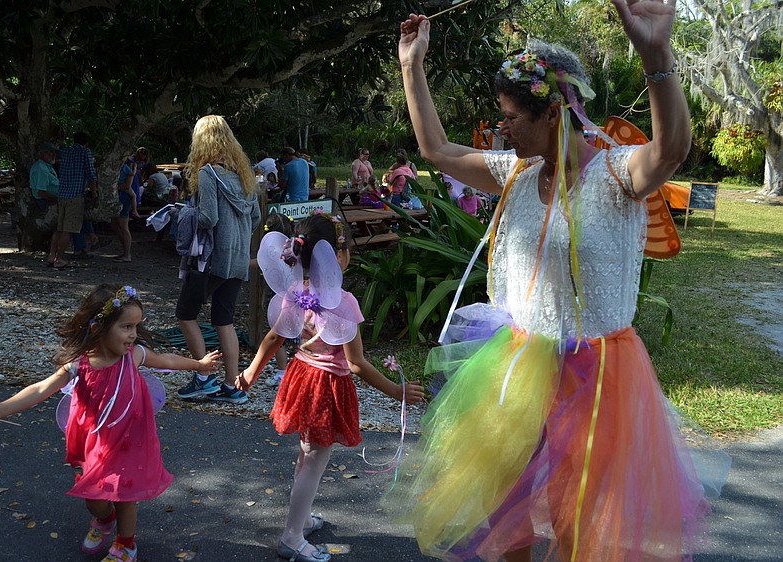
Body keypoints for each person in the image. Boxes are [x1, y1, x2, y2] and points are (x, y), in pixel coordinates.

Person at [392, 6, 728, 562]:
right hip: (517, 365)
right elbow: (438, 150)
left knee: (576, 518)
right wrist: (412, 66)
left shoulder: (617, 176)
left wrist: (655, 55)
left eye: (510, 116)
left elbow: (670, 151)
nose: (501, 128)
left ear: (553, 113)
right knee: (506, 509)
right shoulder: (517, 172)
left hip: (595, 376)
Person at [0, 284, 222, 562]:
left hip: (130, 440)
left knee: (127, 495)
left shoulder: (134, 355)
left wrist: (198, 365)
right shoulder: (79, 365)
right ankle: (104, 520)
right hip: (96, 443)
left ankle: (126, 546)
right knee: (96, 499)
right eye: (126, 327)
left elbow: (166, 359)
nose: (133, 334)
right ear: (99, 327)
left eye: (136, 327)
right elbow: (41, 389)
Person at [237, 212, 424, 562]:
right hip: (325, 388)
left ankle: (302, 519)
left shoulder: (295, 292)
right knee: (314, 461)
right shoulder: (345, 302)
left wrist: (250, 372)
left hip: (300, 378)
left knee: (306, 454)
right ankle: (292, 536)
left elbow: (275, 337)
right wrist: (395, 392)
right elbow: (356, 363)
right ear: (337, 256)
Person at [175, 115, 261, 405]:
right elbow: (257, 218)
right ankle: (230, 385)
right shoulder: (243, 176)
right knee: (224, 320)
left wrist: (183, 214)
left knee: (185, 314)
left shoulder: (209, 174)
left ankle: (203, 376)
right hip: (237, 261)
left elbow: (208, 217)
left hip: (211, 260)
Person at [248, 212, 295, 388]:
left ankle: (282, 371)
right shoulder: (293, 247)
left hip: (276, 296)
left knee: (277, 333)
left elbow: (259, 262)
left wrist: (242, 263)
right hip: (293, 295)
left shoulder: (273, 250)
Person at [54, 132, 98, 269]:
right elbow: (91, 175)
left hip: (62, 194)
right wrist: (95, 194)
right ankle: (59, 259)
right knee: (69, 229)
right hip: (75, 195)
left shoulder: (66, 151)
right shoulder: (86, 152)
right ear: (86, 142)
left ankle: (52, 256)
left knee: (60, 229)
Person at [30, 142, 61, 267]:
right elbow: (41, 192)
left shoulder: (48, 166)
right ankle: (54, 255)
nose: (53, 154)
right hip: (47, 201)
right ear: (42, 154)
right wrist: (57, 200)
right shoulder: (40, 168)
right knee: (62, 226)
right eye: (50, 152)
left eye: (54, 153)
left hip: (54, 199)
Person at [112, 155, 139, 263]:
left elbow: (128, 184)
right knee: (115, 224)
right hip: (117, 196)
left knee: (123, 226)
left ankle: (127, 255)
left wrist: (116, 186)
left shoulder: (125, 167)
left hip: (124, 197)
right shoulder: (114, 167)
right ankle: (124, 252)